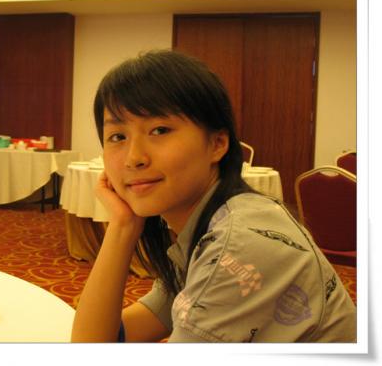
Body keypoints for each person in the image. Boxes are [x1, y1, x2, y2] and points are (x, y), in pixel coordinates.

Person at [71, 50, 356, 343]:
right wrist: (123, 226)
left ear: (218, 144)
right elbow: (95, 342)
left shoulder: (239, 249)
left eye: (159, 130)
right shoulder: (202, 230)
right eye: (118, 136)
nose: (134, 158)